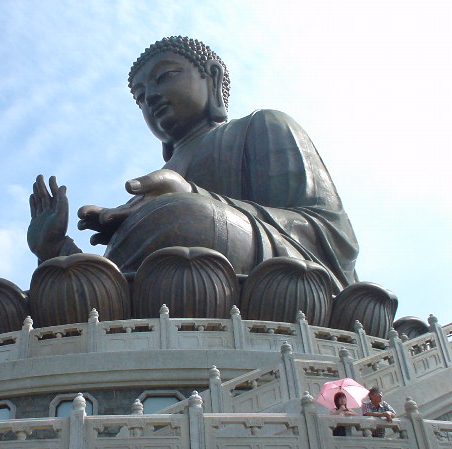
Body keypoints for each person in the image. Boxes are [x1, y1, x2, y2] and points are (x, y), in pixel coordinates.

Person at [28, 36, 359, 293]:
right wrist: (58, 248)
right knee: (172, 218)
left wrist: (190, 197)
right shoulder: (155, 187)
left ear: (211, 78)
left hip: (283, 284)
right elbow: (122, 279)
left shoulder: (263, 127)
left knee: (182, 216)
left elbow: (333, 237)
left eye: (165, 77)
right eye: (141, 97)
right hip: (166, 298)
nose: (151, 98)